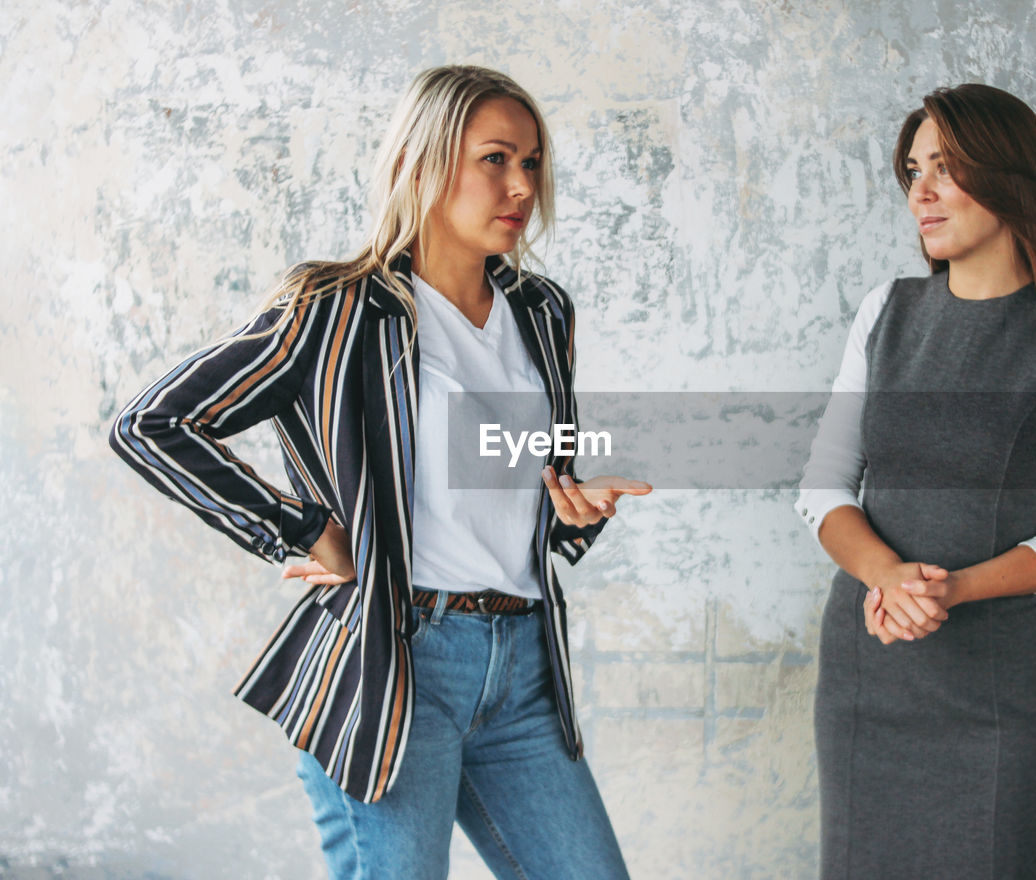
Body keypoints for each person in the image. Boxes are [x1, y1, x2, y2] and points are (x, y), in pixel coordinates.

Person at [110, 65, 649, 879]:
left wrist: (576, 510)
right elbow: (153, 425)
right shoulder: (335, 310)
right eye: (495, 159)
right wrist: (300, 529)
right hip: (396, 672)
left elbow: (525, 475)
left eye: (532, 163)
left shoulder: (542, 313)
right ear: (422, 166)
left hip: (524, 667)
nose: (521, 186)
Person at [796, 83, 1036, 879]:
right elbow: (824, 487)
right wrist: (888, 577)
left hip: (995, 698)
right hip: (866, 678)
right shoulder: (886, 311)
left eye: (945, 168)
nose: (921, 191)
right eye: (913, 170)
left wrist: (953, 590)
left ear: (1009, 176)